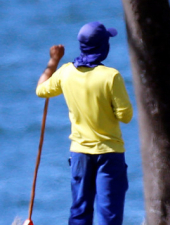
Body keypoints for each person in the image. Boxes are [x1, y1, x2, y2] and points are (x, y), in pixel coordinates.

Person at [35, 22, 133, 225]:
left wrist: (53, 61)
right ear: (103, 46)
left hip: (79, 153)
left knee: (79, 211)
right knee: (109, 215)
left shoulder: (66, 72)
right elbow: (125, 115)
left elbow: (41, 89)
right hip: (109, 153)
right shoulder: (111, 76)